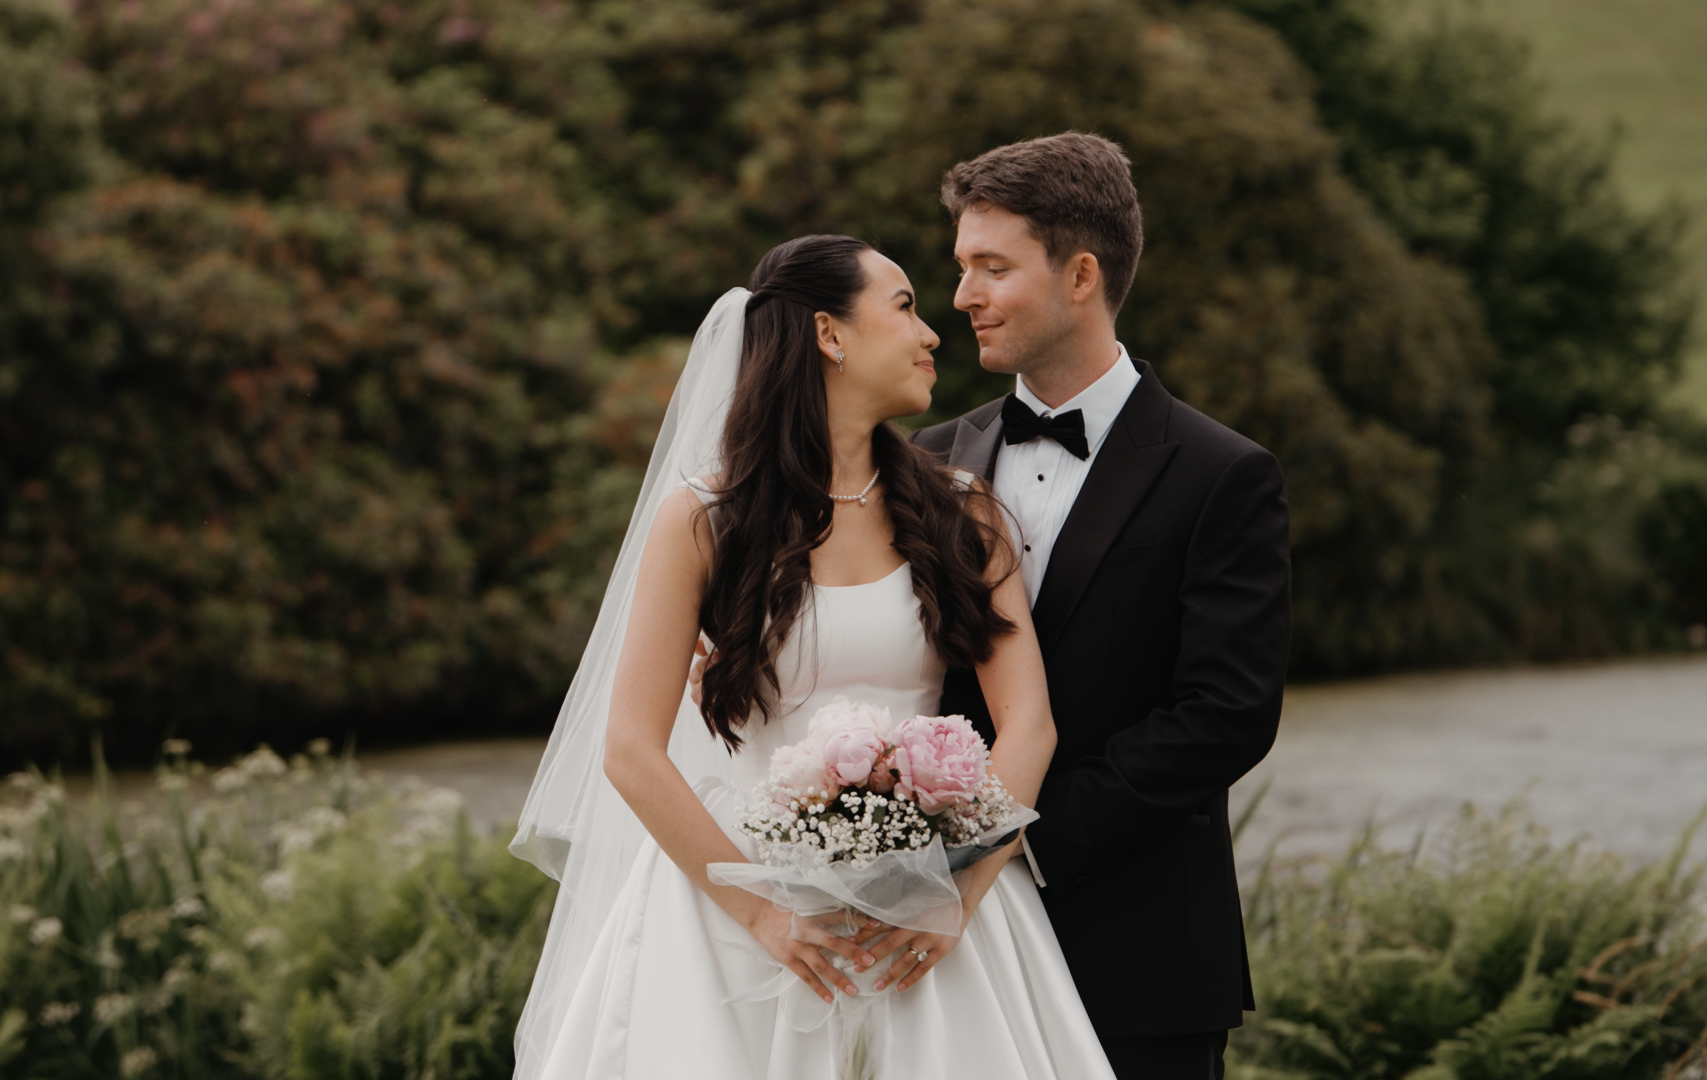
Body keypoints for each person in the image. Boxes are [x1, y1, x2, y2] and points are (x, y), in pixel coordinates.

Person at [510, 234, 1118, 1079]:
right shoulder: (704, 521)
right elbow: (631, 751)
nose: (933, 330)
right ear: (830, 335)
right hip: (733, 908)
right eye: (904, 306)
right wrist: (759, 913)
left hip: (937, 898)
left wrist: (958, 894)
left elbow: (1030, 727)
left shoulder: (962, 511)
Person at [911, 132, 1292, 1080]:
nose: (962, 297)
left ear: (1081, 275)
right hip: (944, 950)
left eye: (991, 268)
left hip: (1141, 952)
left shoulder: (1223, 474)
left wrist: (1014, 838)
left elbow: (1225, 714)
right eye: (961, 268)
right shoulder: (927, 461)